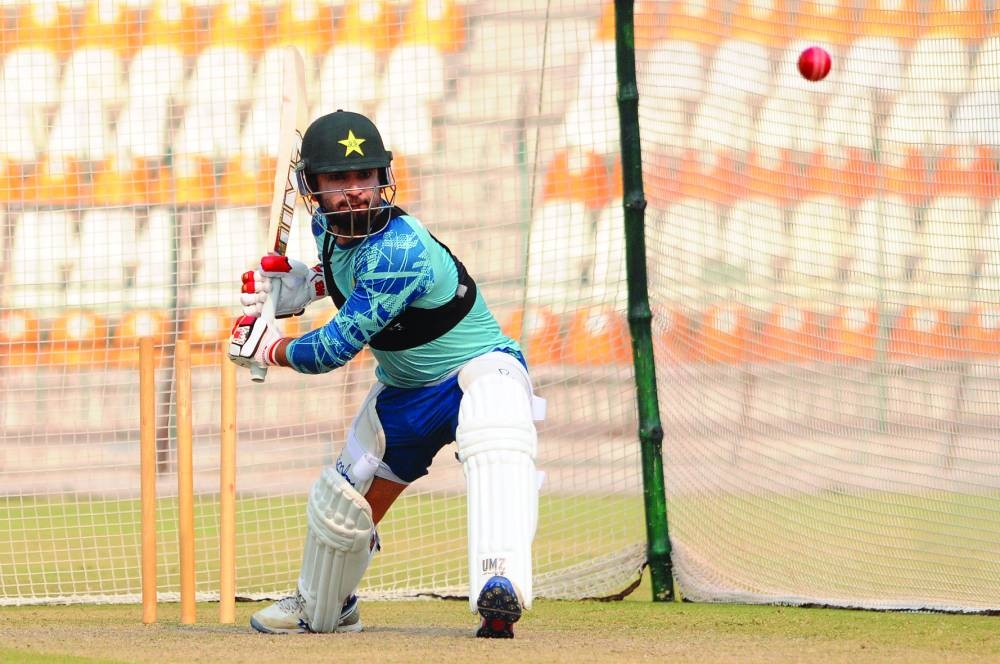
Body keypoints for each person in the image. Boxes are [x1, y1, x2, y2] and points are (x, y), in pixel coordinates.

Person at [228, 110, 544, 638]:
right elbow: (343, 272)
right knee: (342, 504)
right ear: (315, 188)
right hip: (405, 390)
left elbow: (332, 348)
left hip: (478, 370)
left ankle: (501, 586)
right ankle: (323, 605)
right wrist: (301, 289)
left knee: (498, 429)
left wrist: (270, 349)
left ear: (382, 179)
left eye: (363, 177)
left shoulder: (400, 249)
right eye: (338, 180)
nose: (354, 192)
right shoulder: (327, 230)